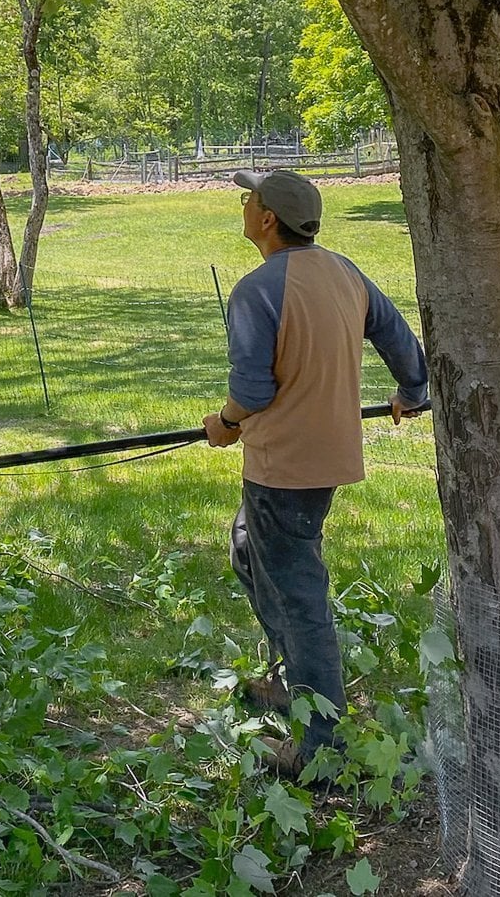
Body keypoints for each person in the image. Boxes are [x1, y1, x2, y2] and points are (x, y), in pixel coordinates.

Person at [202, 167, 428, 780]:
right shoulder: (343, 272)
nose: (245, 205)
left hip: (284, 467)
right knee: (249, 551)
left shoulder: (257, 290)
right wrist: (413, 387)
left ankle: (321, 745)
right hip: (325, 457)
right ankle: (295, 683)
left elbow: (251, 390)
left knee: (301, 595)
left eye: (250, 200)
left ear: (268, 219)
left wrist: (223, 423)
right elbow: (396, 333)